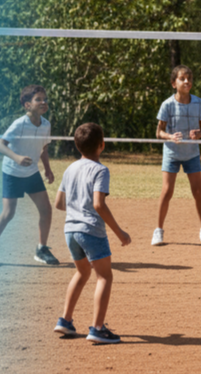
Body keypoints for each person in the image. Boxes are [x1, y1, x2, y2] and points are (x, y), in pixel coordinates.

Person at [53, 123, 131, 344]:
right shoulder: (100, 170)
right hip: (90, 231)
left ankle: (65, 321)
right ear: (101, 145)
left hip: (70, 230)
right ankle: (97, 329)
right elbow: (99, 204)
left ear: (78, 147)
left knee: (82, 272)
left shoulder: (70, 168)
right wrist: (120, 232)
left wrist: (77, 208)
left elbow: (59, 203)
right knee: (104, 276)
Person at [0, 85, 59, 267]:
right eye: (38, 99)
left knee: (46, 210)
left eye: (45, 99)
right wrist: (16, 158)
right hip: (13, 172)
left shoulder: (46, 124)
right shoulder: (19, 124)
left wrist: (47, 169)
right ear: (27, 105)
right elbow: (0, 145)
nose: (43, 102)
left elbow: (44, 148)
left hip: (31, 172)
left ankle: (42, 249)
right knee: (8, 213)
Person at [151, 65, 201, 246]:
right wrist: (170, 136)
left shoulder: (199, 103)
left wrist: (198, 135)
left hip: (191, 153)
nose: (187, 81)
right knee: (167, 191)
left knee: (198, 192)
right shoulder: (167, 105)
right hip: (171, 152)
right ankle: (158, 231)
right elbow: (159, 132)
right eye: (182, 78)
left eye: (189, 78)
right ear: (173, 83)